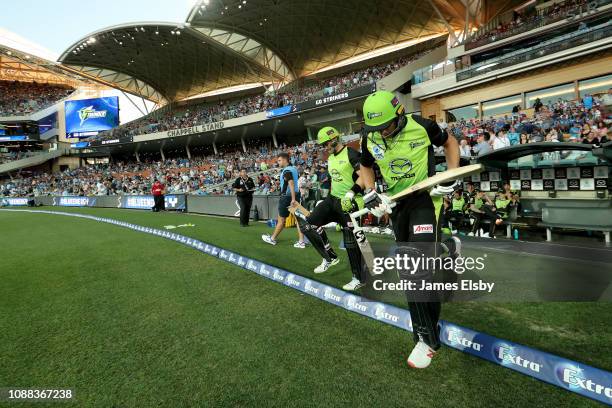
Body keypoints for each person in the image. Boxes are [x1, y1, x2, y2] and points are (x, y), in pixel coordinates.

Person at [359, 90, 461, 369]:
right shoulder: (371, 138)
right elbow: (365, 166)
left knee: (414, 266)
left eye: (386, 127)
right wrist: (371, 193)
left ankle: (427, 339)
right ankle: (448, 248)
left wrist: (451, 176)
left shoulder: (423, 127)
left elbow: (451, 143)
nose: (382, 133)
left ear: (400, 115)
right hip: (397, 206)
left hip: (426, 200)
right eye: (375, 129)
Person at [293, 126, 366, 291]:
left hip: (351, 201)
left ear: (335, 139)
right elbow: (336, 180)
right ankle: (330, 257)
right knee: (307, 223)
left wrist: (350, 195)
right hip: (333, 199)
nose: (325, 147)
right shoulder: (331, 158)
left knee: (351, 242)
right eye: (323, 144)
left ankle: (359, 278)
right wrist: (331, 200)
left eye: (326, 143)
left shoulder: (352, 154)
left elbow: (364, 177)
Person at [262, 152, 306, 248]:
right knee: (299, 220)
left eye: (279, 160)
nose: (278, 162)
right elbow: (292, 182)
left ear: (285, 160)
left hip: (287, 198)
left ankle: (272, 239)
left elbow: (291, 183)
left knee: (281, 220)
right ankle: (301, 241)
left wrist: (293, 199)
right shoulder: (294, 169)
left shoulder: (286, 170)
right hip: (295, 195)